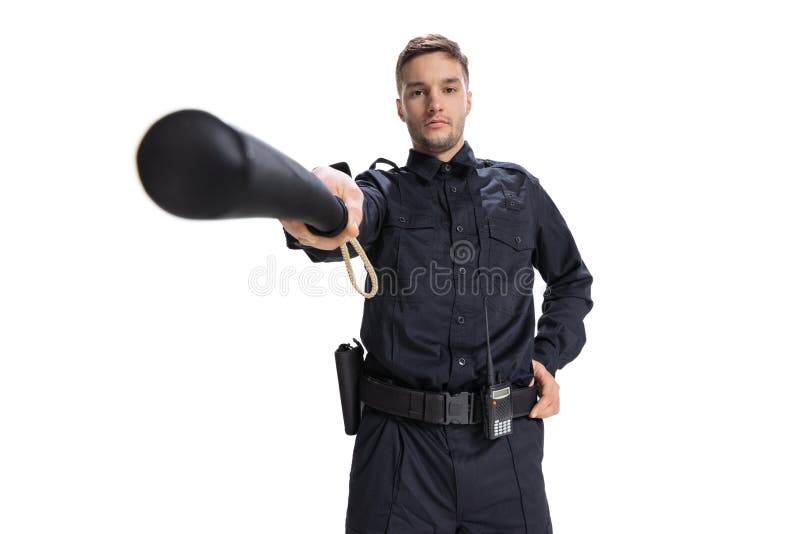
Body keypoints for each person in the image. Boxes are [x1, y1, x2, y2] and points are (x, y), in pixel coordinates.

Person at [281, 34, 593, 534]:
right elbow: (345, 218)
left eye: (448, 88)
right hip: (398, 454)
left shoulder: (520, 191)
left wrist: (546, 355)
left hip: (506, 447)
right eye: (418, 91)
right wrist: (317, 203)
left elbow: (572, 281)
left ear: (468, 98)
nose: (434, 103)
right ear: (400, 107)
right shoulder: (381, 192)